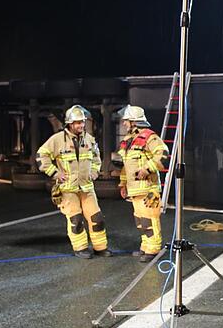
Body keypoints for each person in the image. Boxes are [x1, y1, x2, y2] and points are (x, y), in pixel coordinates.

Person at [37, 105, 110, 258]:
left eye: (82, 122)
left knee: (97, 218)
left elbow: (97, 159)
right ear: (70, 124)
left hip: (86, 187)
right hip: (68, 188)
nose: (81, 125)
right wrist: (55, 173)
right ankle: (80, 248)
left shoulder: (89, 140)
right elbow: (41, 156)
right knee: (76, 220)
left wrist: (95, 172)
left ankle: (100, 247)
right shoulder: (57, 140)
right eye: (78, 123)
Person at [117, 105, 169, 262]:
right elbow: (126, 166)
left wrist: (147, 169)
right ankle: (145, 247)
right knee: (140, 220)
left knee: (150, 219)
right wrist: (123, 183)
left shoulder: (149, 137)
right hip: (135, 189)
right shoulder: (128, 140)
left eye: (126, 121)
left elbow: (163, 153)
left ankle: (153, 250)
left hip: (148, 188)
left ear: (134, 121)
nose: (124, 123)